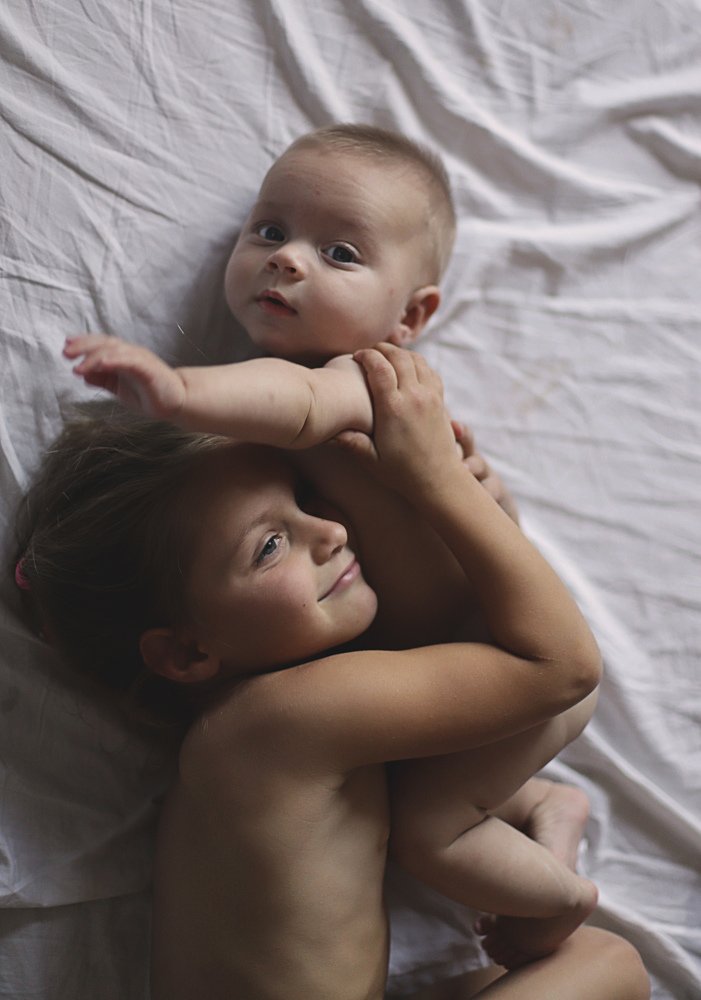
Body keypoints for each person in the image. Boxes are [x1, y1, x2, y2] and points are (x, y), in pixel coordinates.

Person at [16, 345, 648, 999]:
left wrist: (473, 496)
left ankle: (544, 811)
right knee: (608, 964)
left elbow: (478, 635)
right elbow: (562, 666)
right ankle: (547, 840)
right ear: (186, 654)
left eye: (303, 499)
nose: (331, 531)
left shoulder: (255, 737)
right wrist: (438, 479)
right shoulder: (280, 719)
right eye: (269, 546)